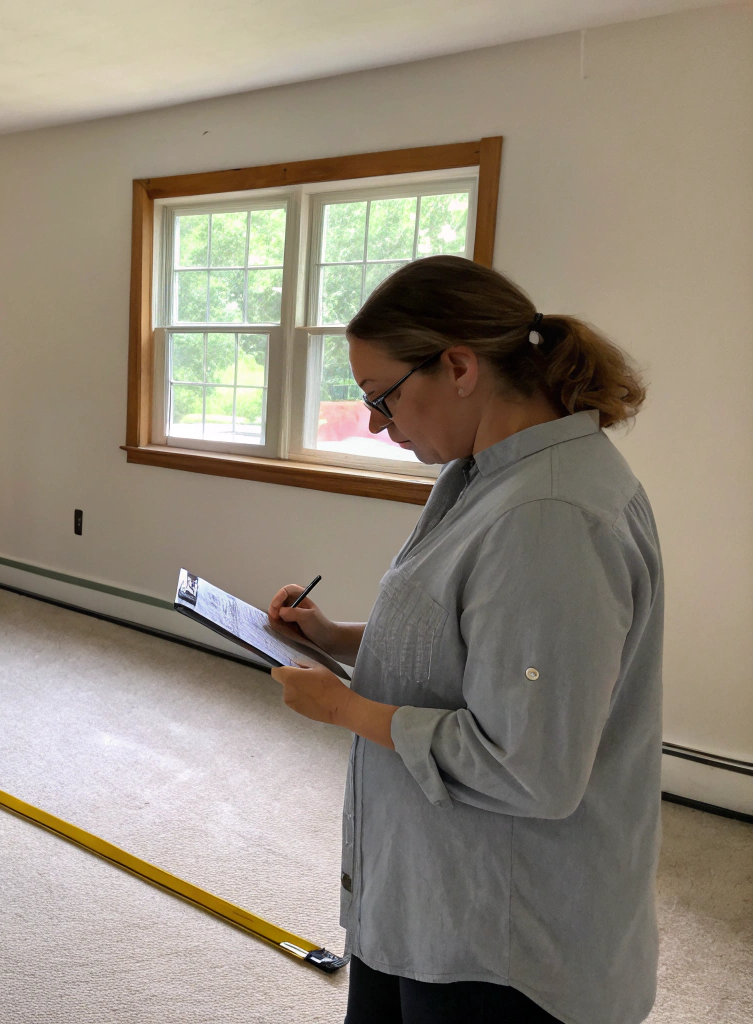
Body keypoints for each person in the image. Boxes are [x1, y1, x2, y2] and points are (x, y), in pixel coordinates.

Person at [267, 255, 661, 1024]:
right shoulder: (485, 475)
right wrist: (336, 636)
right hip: (432, 886)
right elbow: (465, 648)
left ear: (457, 366)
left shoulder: (549, 517)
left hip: (503, 938)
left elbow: (529, 769)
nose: (377, 424)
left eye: (381, 397)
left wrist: (344, 710)